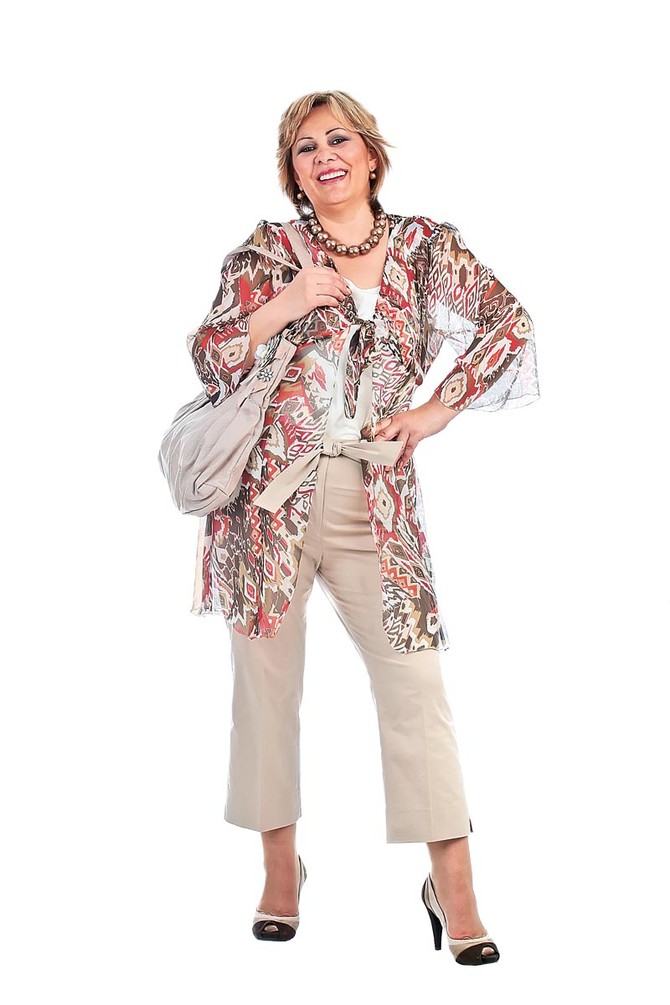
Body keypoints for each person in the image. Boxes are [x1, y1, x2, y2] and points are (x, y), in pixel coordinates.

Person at [186, 90, 540, 959]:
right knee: (266, 692)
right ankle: (280, 871)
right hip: (266, 503)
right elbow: (209, 353)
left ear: (372, 155)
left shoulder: (425, 247)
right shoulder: (270, 251)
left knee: (416, 687)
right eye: (305, 148)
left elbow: (509, 324)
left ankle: (453, 885)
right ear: (294, 172)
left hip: (376, 502)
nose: (324, 157)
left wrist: (432, 412)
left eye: (338, 139)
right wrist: (285, 302)